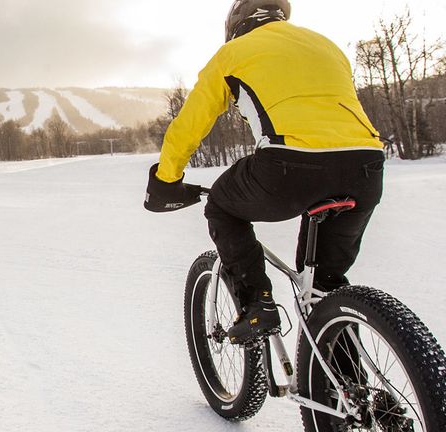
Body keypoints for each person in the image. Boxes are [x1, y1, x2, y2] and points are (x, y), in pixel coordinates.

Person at [144, 0, 386, 344]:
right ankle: (347, 391)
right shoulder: (326, 45)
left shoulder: (233, 53)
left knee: (223, 206)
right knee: (324, 289)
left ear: (236, 24)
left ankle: (257, 302)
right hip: (366, 167)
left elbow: (189, 125)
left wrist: (166, 180)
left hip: (288, 167)